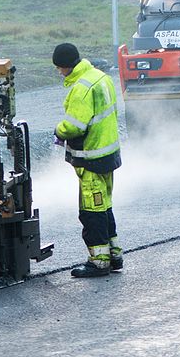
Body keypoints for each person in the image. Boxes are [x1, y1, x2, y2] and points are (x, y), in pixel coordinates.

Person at [52, 43, 123, 277]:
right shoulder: (100, 77)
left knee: (91, 212)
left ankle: (99, 262)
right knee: (105, 207)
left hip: (91, 157)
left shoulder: (81, 88)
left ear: (64, 66)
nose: (60, 73)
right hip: (108, 154)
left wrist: (59, 131)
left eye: (59, 68)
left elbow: (74, 126)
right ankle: (114, 254)